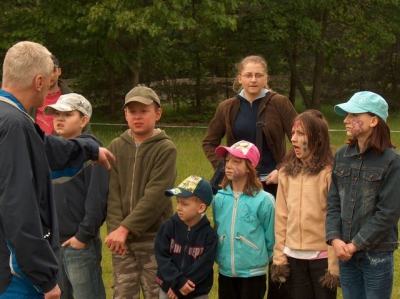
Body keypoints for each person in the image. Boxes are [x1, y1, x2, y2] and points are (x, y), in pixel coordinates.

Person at [0, 41, 114, 299]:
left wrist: (90, 150)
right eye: (51, 81)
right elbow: (18, 208)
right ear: (39, 81)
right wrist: (45, 279)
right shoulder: (15, 125)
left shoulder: (12, 118)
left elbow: (44, 148)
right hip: (15, 275)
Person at [202, 55, 297, 298]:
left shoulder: (280, 103)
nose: (253, 80)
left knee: (277, 245)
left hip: (274, 184)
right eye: (248, 75)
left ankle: (278, 293)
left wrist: (283, 169)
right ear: (239, 78)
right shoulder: (228, 107)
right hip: (240, 188)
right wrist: (226, 168)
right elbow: (210, 142)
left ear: (267, 77)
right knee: (245, 242)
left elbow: (300, 138)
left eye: (258, 75)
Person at [326, 91, 400, 299]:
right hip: (345, 253)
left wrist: (355, 244)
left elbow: (388, 213)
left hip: (376, 254)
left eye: (353, 115)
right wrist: (334, 238)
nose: (346, 120)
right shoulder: (342, 155)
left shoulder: (392, 161)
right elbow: (333, 201)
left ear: (374, 120)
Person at [105, 86, 178, 299]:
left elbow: (156, 196)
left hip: (154, 237)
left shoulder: (165, 148)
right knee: (123, 293)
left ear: (157, 113)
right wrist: (116, 231)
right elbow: (112, 194)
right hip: (121, 240)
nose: (137, 116)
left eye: (144, 111)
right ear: (125, 114)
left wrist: (126, 228)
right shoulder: (116, 146)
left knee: (156, 292)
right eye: (132, 111)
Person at [43, 93, 108, 299]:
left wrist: (82, 236)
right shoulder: (51, 152)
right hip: (53, 244)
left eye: (67, 114)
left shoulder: (93, 152)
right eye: (56, 114)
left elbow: (97, 200)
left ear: (83, 120)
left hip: (79, 243)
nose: (59, 119)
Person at [271, 110, 339, 299]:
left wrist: (333, 266)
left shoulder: (329, 173)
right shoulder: (285, 173)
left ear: (317, 138)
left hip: (322, 256)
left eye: (300, 134)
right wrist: (279, 257)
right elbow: (281, 217)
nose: (293, 138)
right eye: (292, 133)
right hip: (293, 256)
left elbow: (335, 219)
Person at [212, 140, 275, 299]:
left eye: (236, 161)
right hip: (225, 271)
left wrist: (259, 258)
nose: (228, 165)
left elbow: (271, 238)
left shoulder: (264, 200)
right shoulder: (219, 199)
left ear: (250, 167)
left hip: (253, 274)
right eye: (227, 160)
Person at [154, 175, 218, 299]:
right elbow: (162, 257)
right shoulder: (168, 227)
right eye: (178, 202)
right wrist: (176, 282)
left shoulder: (209, 235)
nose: (178, 207)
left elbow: (204, 265)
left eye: (184, 204)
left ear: (201, 208)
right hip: (168, 291)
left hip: (196, 292)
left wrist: (183, 284)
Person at [28, 54, 91, 135]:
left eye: (52, 70)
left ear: (59, 71)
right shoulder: (28, 99)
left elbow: (86, 135)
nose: (49, 75)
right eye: (44, 71)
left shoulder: (75, 100)